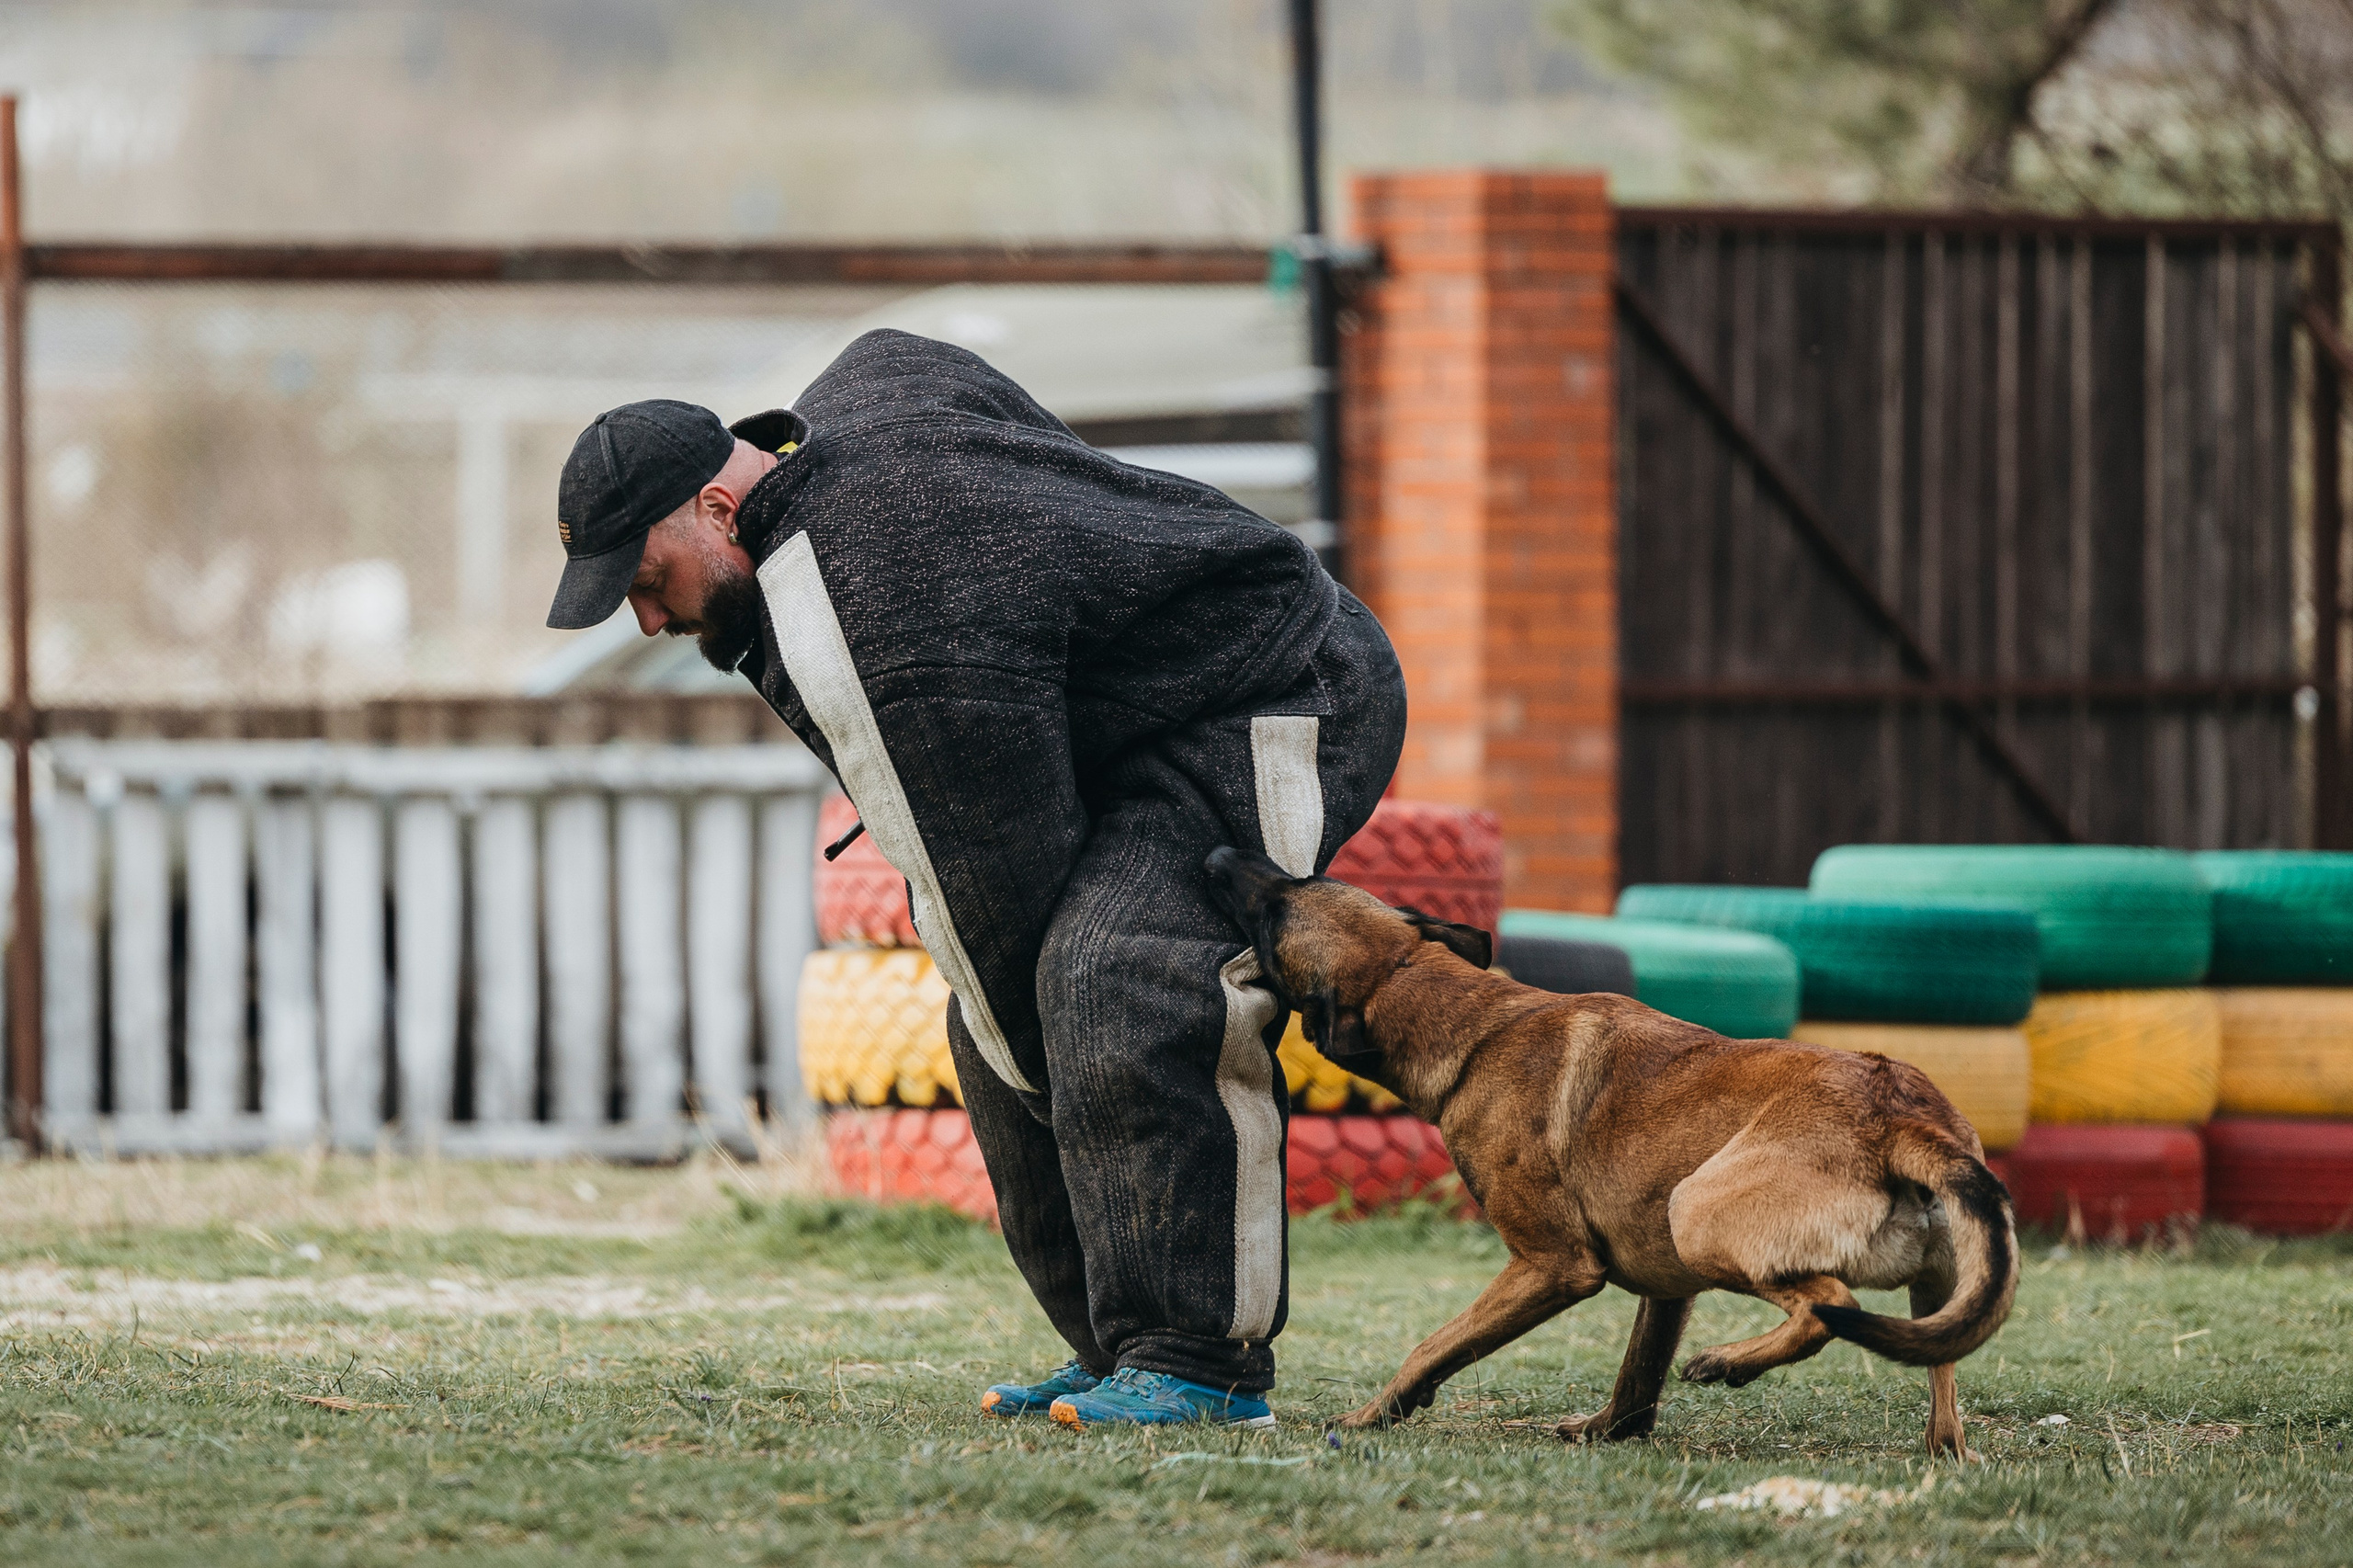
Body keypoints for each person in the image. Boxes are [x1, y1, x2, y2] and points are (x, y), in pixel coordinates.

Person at [547, 329, 1405, 1427]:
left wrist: (1073, 1066)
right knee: (995, 1014)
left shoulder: (865, 601)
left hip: (1283, 685)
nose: (649, 619)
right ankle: (1119, 1348)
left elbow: (986, 887)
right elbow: (908, 353)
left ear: (718, 509)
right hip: (1139, 726)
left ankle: (1201, 1363)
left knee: (1117, 975)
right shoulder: (854, 410)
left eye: (646, 580)